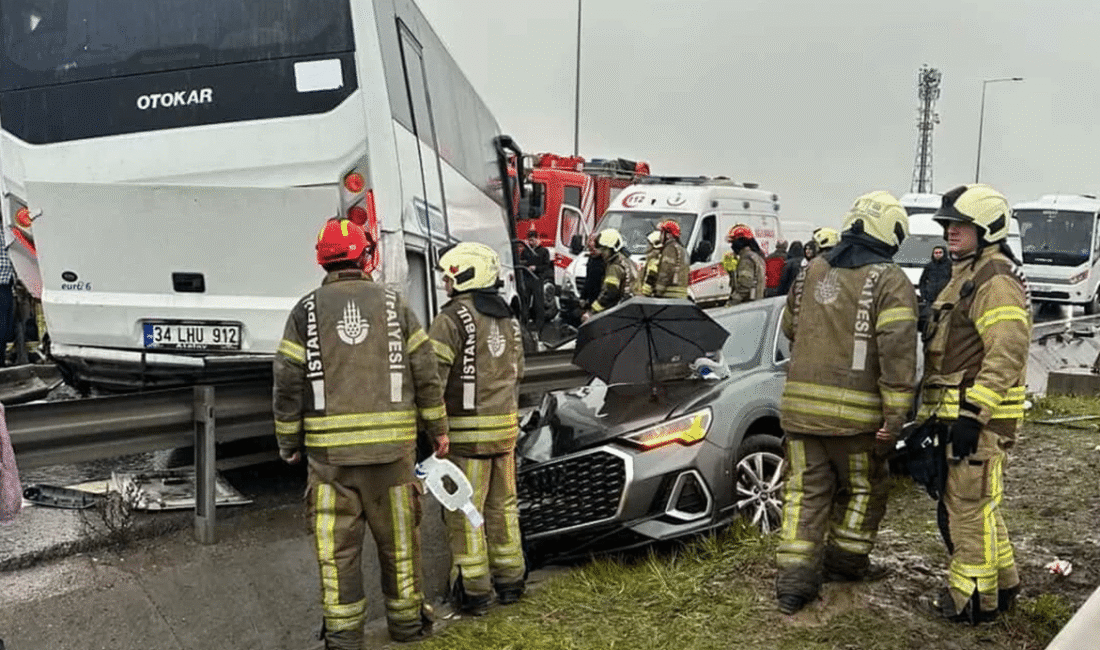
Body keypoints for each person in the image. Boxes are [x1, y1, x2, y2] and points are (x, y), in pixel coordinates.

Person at [273, 218, 449, 648]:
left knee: (338, 554)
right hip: (393, 458)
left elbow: (287, 380)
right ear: (366, 255)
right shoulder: (395, 305)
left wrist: (288, 442)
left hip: (331, 463)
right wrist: (437, 429)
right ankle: (407, 627)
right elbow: (425, 373)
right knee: (401, 548)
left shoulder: (305, 311)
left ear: (321, 258)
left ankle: (344, 637)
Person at [775, 191, 917, 615]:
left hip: (799, 413)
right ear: (889, 232)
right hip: (857, 423)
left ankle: (793, 585)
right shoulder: (890, 280)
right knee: (862, 488)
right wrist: (894, 417)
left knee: (803, 492)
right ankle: (846, 563)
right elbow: (897, 352)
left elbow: (789, 329)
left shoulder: (809, 270)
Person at [917, 184, 1029, 624]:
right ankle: (1004, 584)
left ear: (988, 228)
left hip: (976, 420)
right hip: (958, 415)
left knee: (965, 510)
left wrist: (973, 414)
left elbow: (1007, 351)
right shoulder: (968, 274)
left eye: (961, 225)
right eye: (947, 224)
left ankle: (971, 600)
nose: (950, 232)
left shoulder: (994, 279)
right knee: (979, 507)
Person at [428, 242, 527, 616]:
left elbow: (433, 378)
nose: (445, 282)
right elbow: (520, 373)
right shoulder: (509, 319)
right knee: (504, 508)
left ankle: (475, 591)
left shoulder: (451, 318)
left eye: (449, 275)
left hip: (466, 439)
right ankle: (512, 581)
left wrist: (433, 425)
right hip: (504, 433)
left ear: (465, 275)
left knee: (465, 511)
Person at [584, 228, 636, 320]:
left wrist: (592, 312)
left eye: (604, 250)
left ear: (612, 249)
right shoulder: (627, 260)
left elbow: (610, 293)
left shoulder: (615, 266)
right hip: (630, 307)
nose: (601, 253)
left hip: (619, 310)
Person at [639, 220, 690, 299]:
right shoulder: (683, 250)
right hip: (682, 295)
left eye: (662, 233)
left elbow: (666, 272)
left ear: (668, 235)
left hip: (669, 295)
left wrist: (657, 292)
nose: (660, 236)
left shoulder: (670, 248)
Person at [518, 229, 553, 332]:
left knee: (538, 302)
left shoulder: (544, 251)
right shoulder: (526, 251)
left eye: (532, 240)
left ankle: (539, 325)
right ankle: (524, 322)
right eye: (529, 241)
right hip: (527, 278)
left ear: (537, 239)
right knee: (525, 301)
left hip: (538, 279)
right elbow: (521, 262)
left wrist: (536, 268)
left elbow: (546, 266)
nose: (531, 243)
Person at [725, 224, 766, 305]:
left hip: (746, 305)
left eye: (733, 242)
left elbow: (744, 286)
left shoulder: (746, 259)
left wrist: (732, 303)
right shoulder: (756, 256)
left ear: (740, 242)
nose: (732, 246)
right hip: (757, 303)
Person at [917, 245, 951, 330]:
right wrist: (924, 294)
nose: (938, 254)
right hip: (930, 300)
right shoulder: (929, 266)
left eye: (940, 253)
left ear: (944, 253)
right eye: (936, 253)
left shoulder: (950, 265)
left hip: (945, 299)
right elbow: (922, 281)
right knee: (927, 320)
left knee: (944, 321)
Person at [0, 228, 14, 367]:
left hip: (6, 283)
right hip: (3, 285)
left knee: (5, 325)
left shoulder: (5, 232)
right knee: (2, 325)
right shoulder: (6, 232)